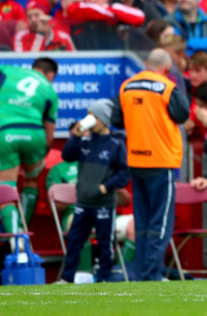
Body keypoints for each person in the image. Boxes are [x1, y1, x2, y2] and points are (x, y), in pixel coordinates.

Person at [112, 49, 190, 281]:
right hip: (161, 160)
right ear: (166, 68)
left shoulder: (126, 86)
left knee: (143, 220)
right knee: (161, 220)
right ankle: (152, 273)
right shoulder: (167, 87)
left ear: (146, 64)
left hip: (136, 161)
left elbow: (116, 119)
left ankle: (142, 274)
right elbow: (182, 114)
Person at [56, 100, 130, 284]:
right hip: (83, 202)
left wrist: (106, 186)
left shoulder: (116, 143)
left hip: (103, 204)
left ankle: (104, 278)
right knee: (74, 240)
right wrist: (75, 136)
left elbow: (125, 172)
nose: (89, 120)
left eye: (94, 117)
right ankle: (67, 278)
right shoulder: (84, 141)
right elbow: (67, 156)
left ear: (103, 119)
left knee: (106, 242)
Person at [0, 58, 58, 243]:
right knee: (30, 179)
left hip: (6, 131)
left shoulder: (8, 71)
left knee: (5, 190)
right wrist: (40, 157)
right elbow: (49, 138)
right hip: (34, 135)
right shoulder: (50, 90)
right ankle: (23, 229)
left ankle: (16, 237)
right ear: (51, 75)